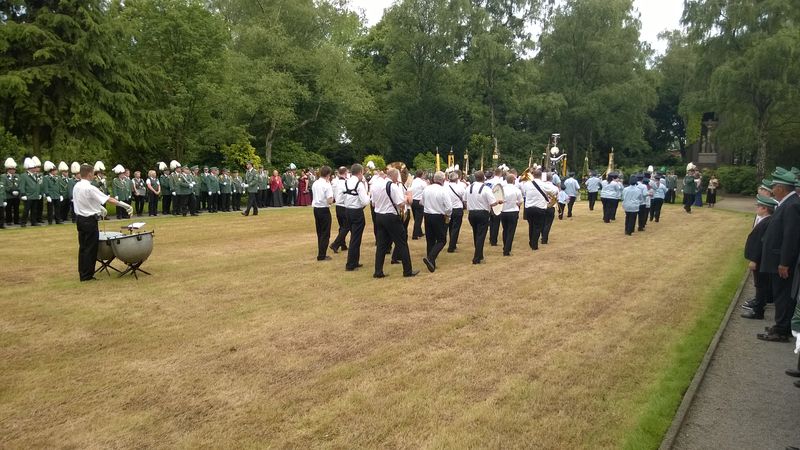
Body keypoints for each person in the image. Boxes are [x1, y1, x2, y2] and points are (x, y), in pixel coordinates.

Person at [757, 168, 800, 342]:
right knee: (780, 293)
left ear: (781, 188)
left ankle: (782, 330)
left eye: (774, 187)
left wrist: (784, 262)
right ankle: (780, 325)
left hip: (781, 261)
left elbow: (791, 237)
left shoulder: (792, 205)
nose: (772, 190)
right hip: (778, 259)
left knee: (783, 295)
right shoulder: (788, 203)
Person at [73, 164, 132, 281]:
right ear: (89, 174)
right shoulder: (90, 188)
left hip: (80, 219)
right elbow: (109, 199)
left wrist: (99, 208)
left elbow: (85, 201)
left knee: (83, 247)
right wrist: (125, 205)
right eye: (93, 173)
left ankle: (83, 272)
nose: (94, 176)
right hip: (89, 220)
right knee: (90, 248)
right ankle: (87, 275)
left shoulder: (77, 186)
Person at [371, 168, 418, 278]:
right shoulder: (392, 186)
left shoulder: (375, 185)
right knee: (402, 242)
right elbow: (401, 203)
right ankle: (407, 271)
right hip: (391, 216)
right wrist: (406, 198)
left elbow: (373, 203)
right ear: (395, 176)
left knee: (381, 245)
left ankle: (378, 271)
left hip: (379, 216)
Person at [741, 194, 778, 320]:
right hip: (761, 259)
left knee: (760, 284)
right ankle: (758, 305)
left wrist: (754, 259)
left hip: (760, 260)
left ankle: (758, 310)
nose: (757, 208)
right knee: (760, 284)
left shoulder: (767, 222)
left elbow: (761, 243)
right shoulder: (766, 221)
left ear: (765, 209)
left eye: (759, 206)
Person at [420, 171, 452, 273]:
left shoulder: (427, 189)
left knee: (430, 239)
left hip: (427, 215)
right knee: (442, 240)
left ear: (434, 179)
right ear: (443, 180)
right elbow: (449, 207)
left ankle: (431, 263)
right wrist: (447, 214)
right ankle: (430, 258)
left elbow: (422, 202)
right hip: (438, 216)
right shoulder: (443, 190)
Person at [519, 169, 557, 251]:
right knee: (537, 227)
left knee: (531, 225)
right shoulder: (543, 184)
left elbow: (523, 192)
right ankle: (534, 244)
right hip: (539, 208)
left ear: (533, 175)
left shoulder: (526, 184)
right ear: (541, 176)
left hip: (528, 208)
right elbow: (554, 191)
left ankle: (531, 241)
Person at [465, 171, 497, 264]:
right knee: (481, 236)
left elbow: (465, 200)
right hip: (482, 213)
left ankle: (480, 254)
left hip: (471, 213)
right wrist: (498, 201)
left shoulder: (468, 187)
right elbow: (492, 203)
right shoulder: (486, 189)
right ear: (483, 178)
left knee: (476, 234)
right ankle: (477, 257)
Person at [343, 163, 370, 271]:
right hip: (356, 212)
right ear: (360, 172)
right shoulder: (359, 184)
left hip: (347, 210)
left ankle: (355, 261)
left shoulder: (346, 182)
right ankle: (350, 264)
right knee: (355, 238)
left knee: (354, 237)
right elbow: (365, 201)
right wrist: (369, 195)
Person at [311, 165, 334, 261]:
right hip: (324, 209)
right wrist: (332, 200)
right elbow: (329, 200)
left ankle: (321, 252)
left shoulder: (315, 183)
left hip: (316, 209)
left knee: (320, 232)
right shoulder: (327, 185)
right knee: (325, 233)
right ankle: (322, 255)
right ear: (328, 174)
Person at [500, 174, 523, 256]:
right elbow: (520, 201)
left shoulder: (502, 189)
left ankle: (505, 246)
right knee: (511, 231)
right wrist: (516, 203)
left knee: (505, 230)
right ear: (513, 181)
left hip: (503, 211)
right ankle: (507, 249)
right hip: (513, 211)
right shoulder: (516, 190)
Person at [329, 166, 350, 253]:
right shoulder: (345, 183)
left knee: (342, 226)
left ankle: (343, 244)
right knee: (346, 226)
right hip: (344, 205)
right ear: (345, 173)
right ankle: (335, 244)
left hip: (338, 206)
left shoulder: (335, 182)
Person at [444, 171, 466, 253]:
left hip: (447, 209)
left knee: (449, 227)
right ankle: (452, 245)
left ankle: (451, 244)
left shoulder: (445, 187)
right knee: (455, 228)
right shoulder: (460, 187)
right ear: (457, 179)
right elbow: (464, 199)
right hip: (457, 209)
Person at [18, 157, 43, 227]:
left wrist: (39, 193)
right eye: (33, 168)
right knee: (26, 210)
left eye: (34, 167)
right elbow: (22, 185)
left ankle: (33, 222)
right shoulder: (24, 175)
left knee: (34, 210)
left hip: (35, 195)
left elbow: (38, 185)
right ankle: (23, 222)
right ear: (29, 168)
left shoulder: (35, 175)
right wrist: (23, 194)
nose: (35, 169)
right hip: (28, 195)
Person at [540, 172, 558, 245]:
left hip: (542, 206)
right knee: (548, 224)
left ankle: (542, 235)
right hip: (551, 206)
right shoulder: (555, 188)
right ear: (552, 179)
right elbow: (557, 198)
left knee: (542, 222)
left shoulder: (541, 186)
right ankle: (544, 239)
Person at [42, 161, 63, 225]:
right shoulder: (46, 178)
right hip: (50, 195)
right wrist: (47, 195)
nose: (56, 172)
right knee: (50, 209)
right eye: (55, 170)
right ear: (51, 171)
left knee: (58, 209)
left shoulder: (58, 177)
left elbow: (59, 186)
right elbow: (45, 187)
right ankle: (50, 221)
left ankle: (58, 220)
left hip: (57, 195)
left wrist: (61, 194)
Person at [410, 170, 427, 239]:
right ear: (422, 175)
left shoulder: (413, 181)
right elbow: (426, 191)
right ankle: (415, 235)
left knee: (416, 218)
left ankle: (419, 232)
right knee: (418, 219)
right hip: (419, 201)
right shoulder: (423, 183)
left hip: (413, 200)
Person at [4, 157, 20, 226]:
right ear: (8, 169)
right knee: (8, 209)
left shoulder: (17, 176)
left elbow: (20, 184)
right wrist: (11, 191)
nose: (14, 170)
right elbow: (4, 186)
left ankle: (16, 221)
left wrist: (18, 190)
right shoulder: (4, 176)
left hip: (17, 195)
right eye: (12, 169)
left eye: (14, 169)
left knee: (16, 208)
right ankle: (9, 221)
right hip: (9, 195)